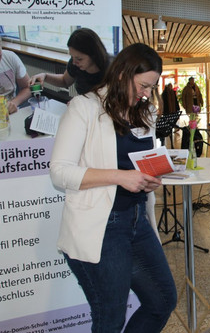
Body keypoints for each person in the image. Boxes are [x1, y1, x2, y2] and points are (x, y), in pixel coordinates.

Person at [50, 43, 177, 332]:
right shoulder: (84, 108)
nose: (147, 93)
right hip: (101, 226)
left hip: (136, 221)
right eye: (144, 85)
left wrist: (149, 179)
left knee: (162, 300)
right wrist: (120, 176)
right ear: (123, 74)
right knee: (110, 318)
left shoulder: (145, 113)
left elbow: (139, 163)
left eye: (151, 87)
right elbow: (59, 173)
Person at [29, 28, 112, 95]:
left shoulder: (111, 69)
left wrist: (80, 104)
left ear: (94, 55)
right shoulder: (75, 64)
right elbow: (65, 81)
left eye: (79, 59)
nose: (74, 62)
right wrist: (45, 76)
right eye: (72, 57)